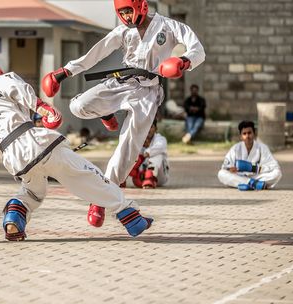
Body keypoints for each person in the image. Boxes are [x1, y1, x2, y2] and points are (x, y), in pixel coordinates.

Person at [0, 60, 153, 241]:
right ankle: (130, 216)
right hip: (33, 140)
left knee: (33, 191)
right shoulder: (2, 80)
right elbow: (19, 89)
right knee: (85, 174)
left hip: (13, 158)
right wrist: (42, 107)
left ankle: (14, 219)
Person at [41, 0, 205, 227]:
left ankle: (100, 198)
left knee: (127, 150)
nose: (126, 17)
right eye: (122, 12)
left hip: (148, 92)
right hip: (122, 83)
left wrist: (184, 61)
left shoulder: (169, 27)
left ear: (142, 7)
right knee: (78, 106)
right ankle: (105, 112)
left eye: (129, 11)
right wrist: (65, 72)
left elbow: (197, 48)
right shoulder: (123, 32)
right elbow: (96, 52)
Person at [218, 121, 282, 190]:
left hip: (257, 176)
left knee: (277, 173)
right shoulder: (235, 149)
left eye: (249, 133)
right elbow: (224, 166)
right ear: (241, 136)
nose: (247, 136)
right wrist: (230, 169)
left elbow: (274, 166)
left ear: (254, 134)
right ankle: (253, 184)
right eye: (244, 134)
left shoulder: (262, 148)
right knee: (221, 174)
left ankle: (247, 184)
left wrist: (254, 168)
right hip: (240, 176)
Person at [127, 119, 169, 189]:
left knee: (158, 154)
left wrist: (143, 156)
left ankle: (150, 177)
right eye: (146, 127)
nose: (148, 129)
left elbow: (160, 147)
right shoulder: (137, 141)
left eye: (151, 127)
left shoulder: (160, 139)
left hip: (159, 177)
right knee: (129, 155)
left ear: (156, 129)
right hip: (140, 176)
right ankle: (121, 180)